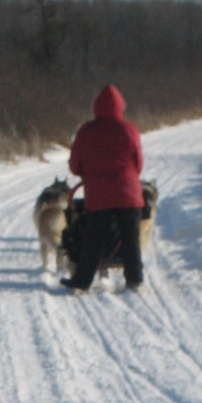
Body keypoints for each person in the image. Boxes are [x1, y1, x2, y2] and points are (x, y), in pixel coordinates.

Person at [62, 84, 145, 293]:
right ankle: (135, 280)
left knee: (94, 240)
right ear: (120, 106)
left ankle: (82, 281)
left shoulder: (86, 131)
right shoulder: (130, 129)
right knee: (130, 239)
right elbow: (138, 162)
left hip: (99, 195)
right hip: (128, 193)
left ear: (96, 107)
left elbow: (74, 164)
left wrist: (85, 172)